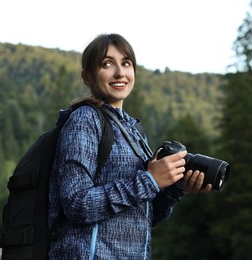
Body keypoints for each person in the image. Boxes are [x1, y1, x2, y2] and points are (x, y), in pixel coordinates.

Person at [48, 33, 212, 259]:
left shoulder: (133, 131)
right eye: (107, 64)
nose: (120, 72)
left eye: (126, 63)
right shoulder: (85, 120)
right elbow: (77, 204)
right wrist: (149, 180)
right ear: (87, 77)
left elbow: (144, 217)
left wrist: (175, 188)